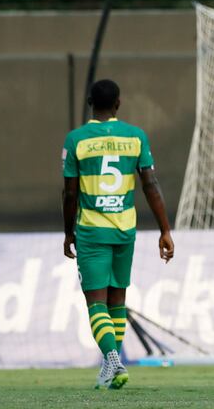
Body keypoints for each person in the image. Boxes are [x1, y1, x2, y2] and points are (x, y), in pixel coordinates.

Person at [62, 79, 175, 389]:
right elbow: (150, 184)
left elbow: (69, 194)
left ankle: (113, 360)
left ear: (89, 102)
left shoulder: (76, 140)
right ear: (118, 104)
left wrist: (68, 233)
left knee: (96, 302)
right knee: (117, 300)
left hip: (92, 231)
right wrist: (165, 229)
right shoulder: (135, 137)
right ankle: (109, 368)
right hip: (125, 229)